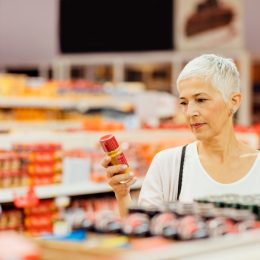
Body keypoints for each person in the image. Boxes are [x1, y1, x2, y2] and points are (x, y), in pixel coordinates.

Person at [101, 54, 260, 217]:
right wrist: (122, 195)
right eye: (184, 103)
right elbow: (142, 228)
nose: (190, 112)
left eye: (201, 100)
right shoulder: (168, 164)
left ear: (233, 101)